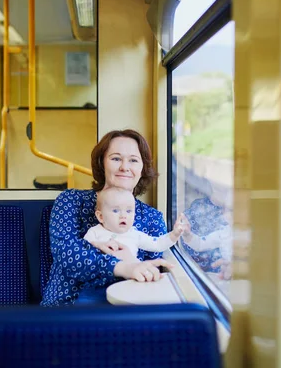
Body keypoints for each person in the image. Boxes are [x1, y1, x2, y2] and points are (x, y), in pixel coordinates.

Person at [41, 129, 186, 307]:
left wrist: (133, 262)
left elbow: (149, 272)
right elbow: (67, 254)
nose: (125, 167)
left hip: (126, 309)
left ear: (142, 168)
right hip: (67, 307)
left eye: (133, 160)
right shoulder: (71, 201)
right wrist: (122, 266)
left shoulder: (152, 217)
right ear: (102, 164)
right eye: (116, 158)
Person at [83, 187, 185, 260]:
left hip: (129, 280)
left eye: (128, 211)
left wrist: (174, 234)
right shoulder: (95, 232)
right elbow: (83, 252)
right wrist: (99, 245)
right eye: (115, 211)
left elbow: (157, 244)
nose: (123, 216)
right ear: (100, 216)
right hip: (100, 280)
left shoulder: (135, 234)